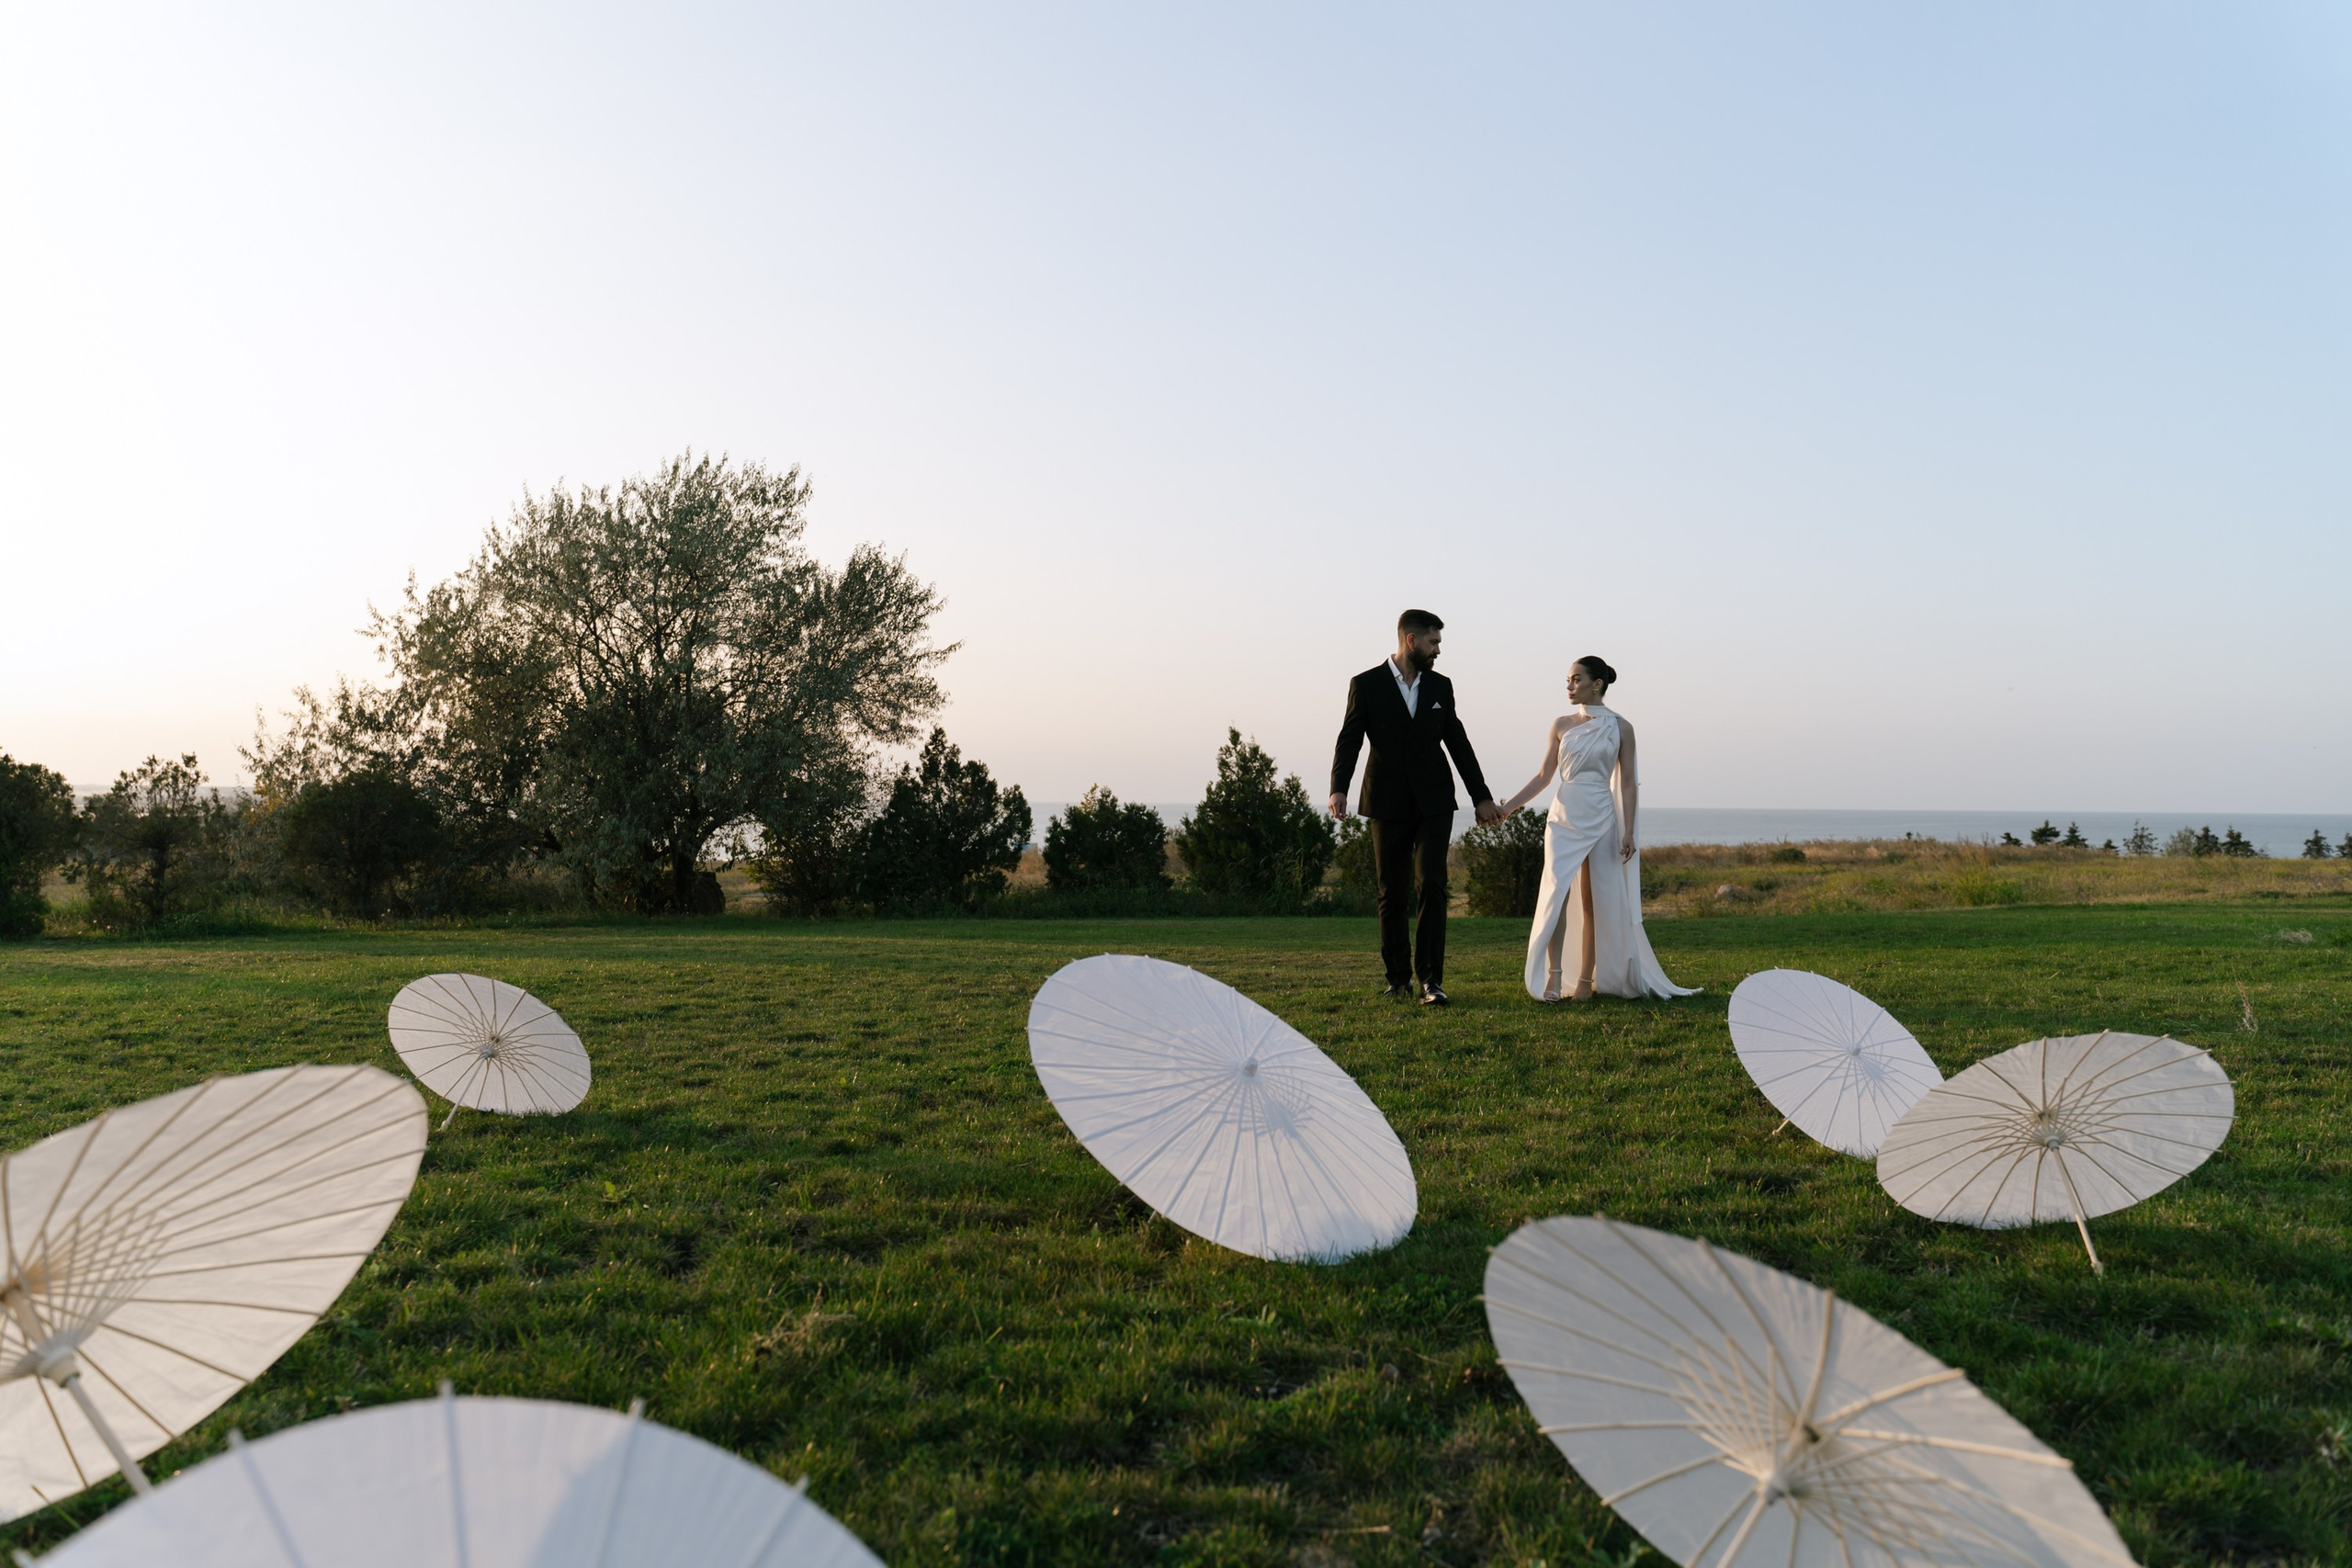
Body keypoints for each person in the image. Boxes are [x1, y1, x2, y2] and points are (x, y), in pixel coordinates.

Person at [1496, 655, 1696, 1002]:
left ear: (1597, 684)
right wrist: (1508, 808)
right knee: (1557, 895)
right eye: (1568, 680)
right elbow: (1544, 776)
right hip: (1564, 816)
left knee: (1593, 900)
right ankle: (1554, 977)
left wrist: (1629, 831)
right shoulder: (1561, 724)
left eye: (1576, 679)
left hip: (1602, 815)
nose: (1569, 686)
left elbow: (1630, 783)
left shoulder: (1622, 728)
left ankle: (1587, 980)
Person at [1329, 609, 1503, 1006]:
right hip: (1386, 802)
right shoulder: (1366, 684)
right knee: (1391, 893)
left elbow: (1458, 742)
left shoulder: (1441, 687)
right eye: (1433, 642)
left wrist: (1481, 796)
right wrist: (1339, 788)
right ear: (1411, 640)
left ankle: (1430, 981)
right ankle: (1397, 980)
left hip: (1434, 803)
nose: (1438, 650)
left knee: (1433, 886)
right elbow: (1350, 739)